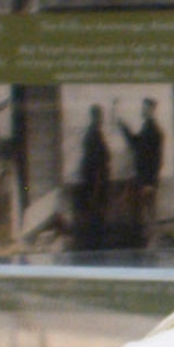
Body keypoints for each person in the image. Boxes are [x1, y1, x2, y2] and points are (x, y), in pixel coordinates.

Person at [117, 97, 166, 245]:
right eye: (142, 108)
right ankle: (148, 241)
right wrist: (123, 126)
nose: (141, 111)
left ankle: (150, 243)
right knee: (145, 212)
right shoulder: (146, 128)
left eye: (144, 108)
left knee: (148, 213)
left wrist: (150, 183)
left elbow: (157, 160)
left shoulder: (154, 131)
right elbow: (135, 143)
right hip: (144, 179)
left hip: (148, 180)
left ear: (151, 110)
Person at [75, 104, 112, 251]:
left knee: (96, 213)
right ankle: (95, 245)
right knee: (95, 213)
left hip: (95, 181)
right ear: (94, 117)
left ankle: (95, 243)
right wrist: (96, 187)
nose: (101, 120)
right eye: (99, 117)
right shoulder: (93, 135)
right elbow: (96, 163)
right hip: (95, 182)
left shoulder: (95, 133)